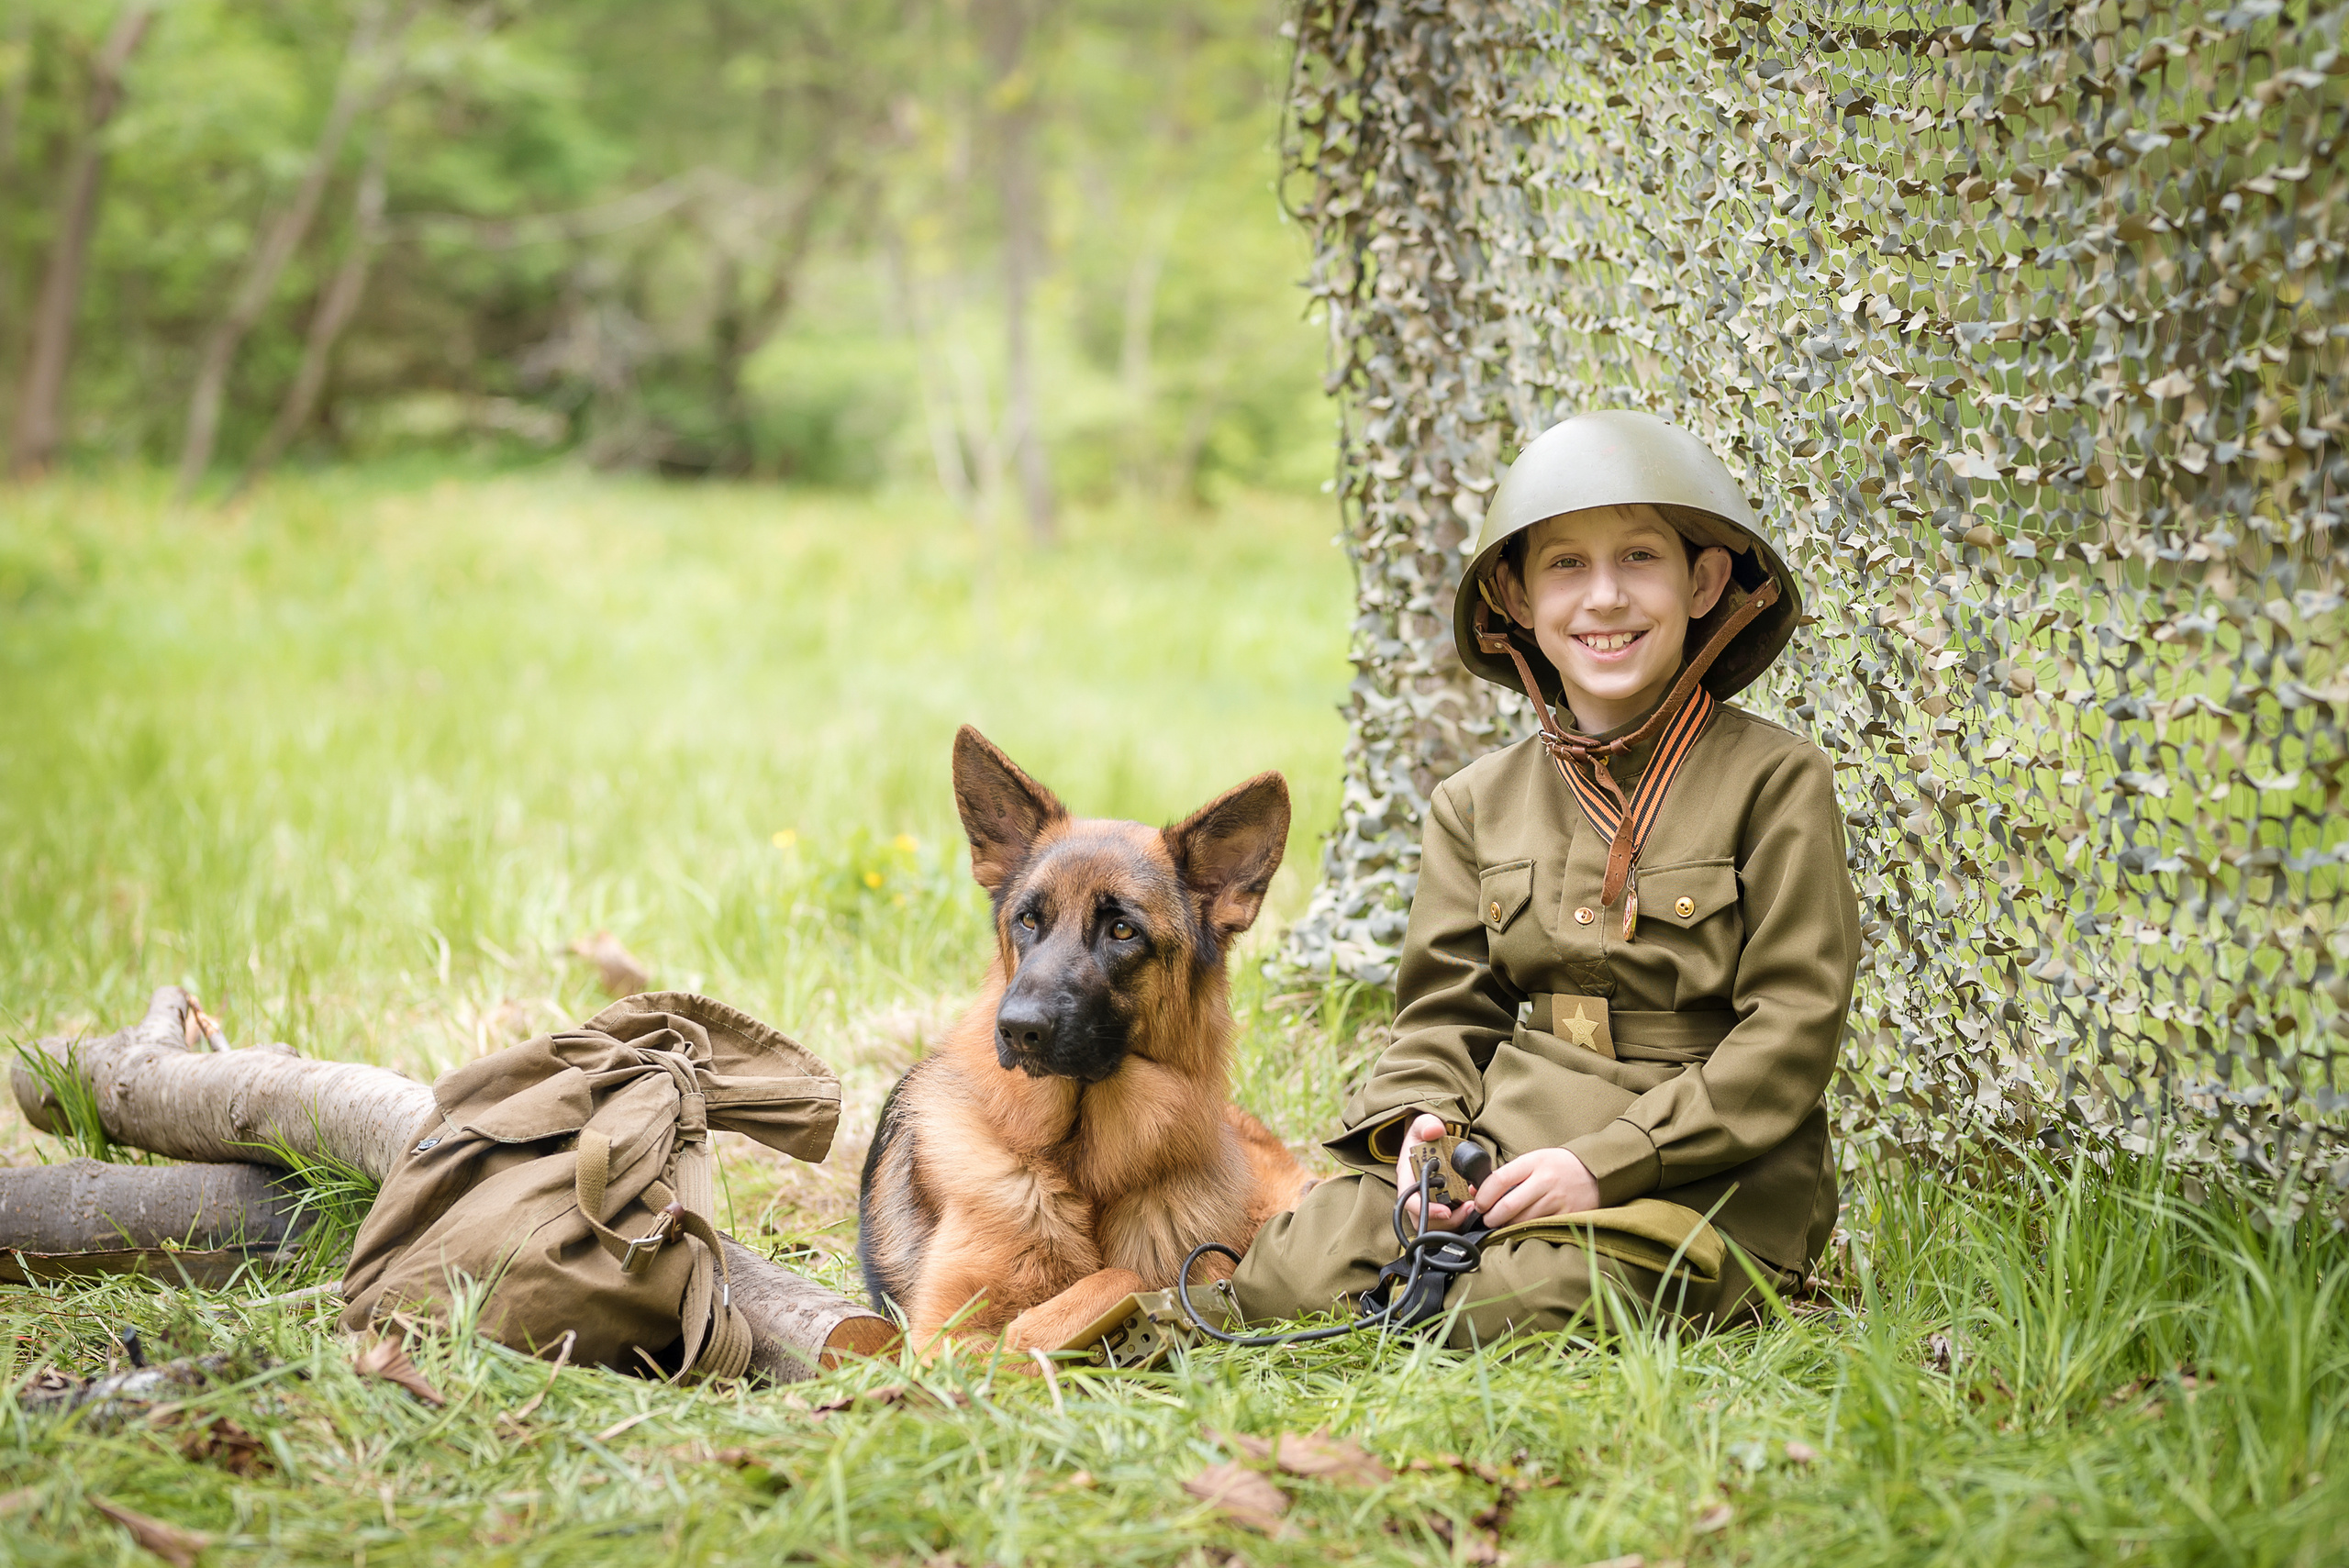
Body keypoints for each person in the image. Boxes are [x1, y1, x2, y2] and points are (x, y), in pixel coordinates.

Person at [1228, 409, 1860, 1344]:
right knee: (1290, 1269)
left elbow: (1791, 1033)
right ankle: (1442, 1258)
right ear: (1516, 598)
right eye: (1564, 564)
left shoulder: (1777, 780)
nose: (1603, 598)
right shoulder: (1475, 800)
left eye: (1639, 557)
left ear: (1705, 581)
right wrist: (1420, 1137)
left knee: (1507, 1302)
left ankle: (1479, 1278)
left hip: (1707, 1163)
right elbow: (1444, 1017)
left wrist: (1607, 1163)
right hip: (1513, 1135)